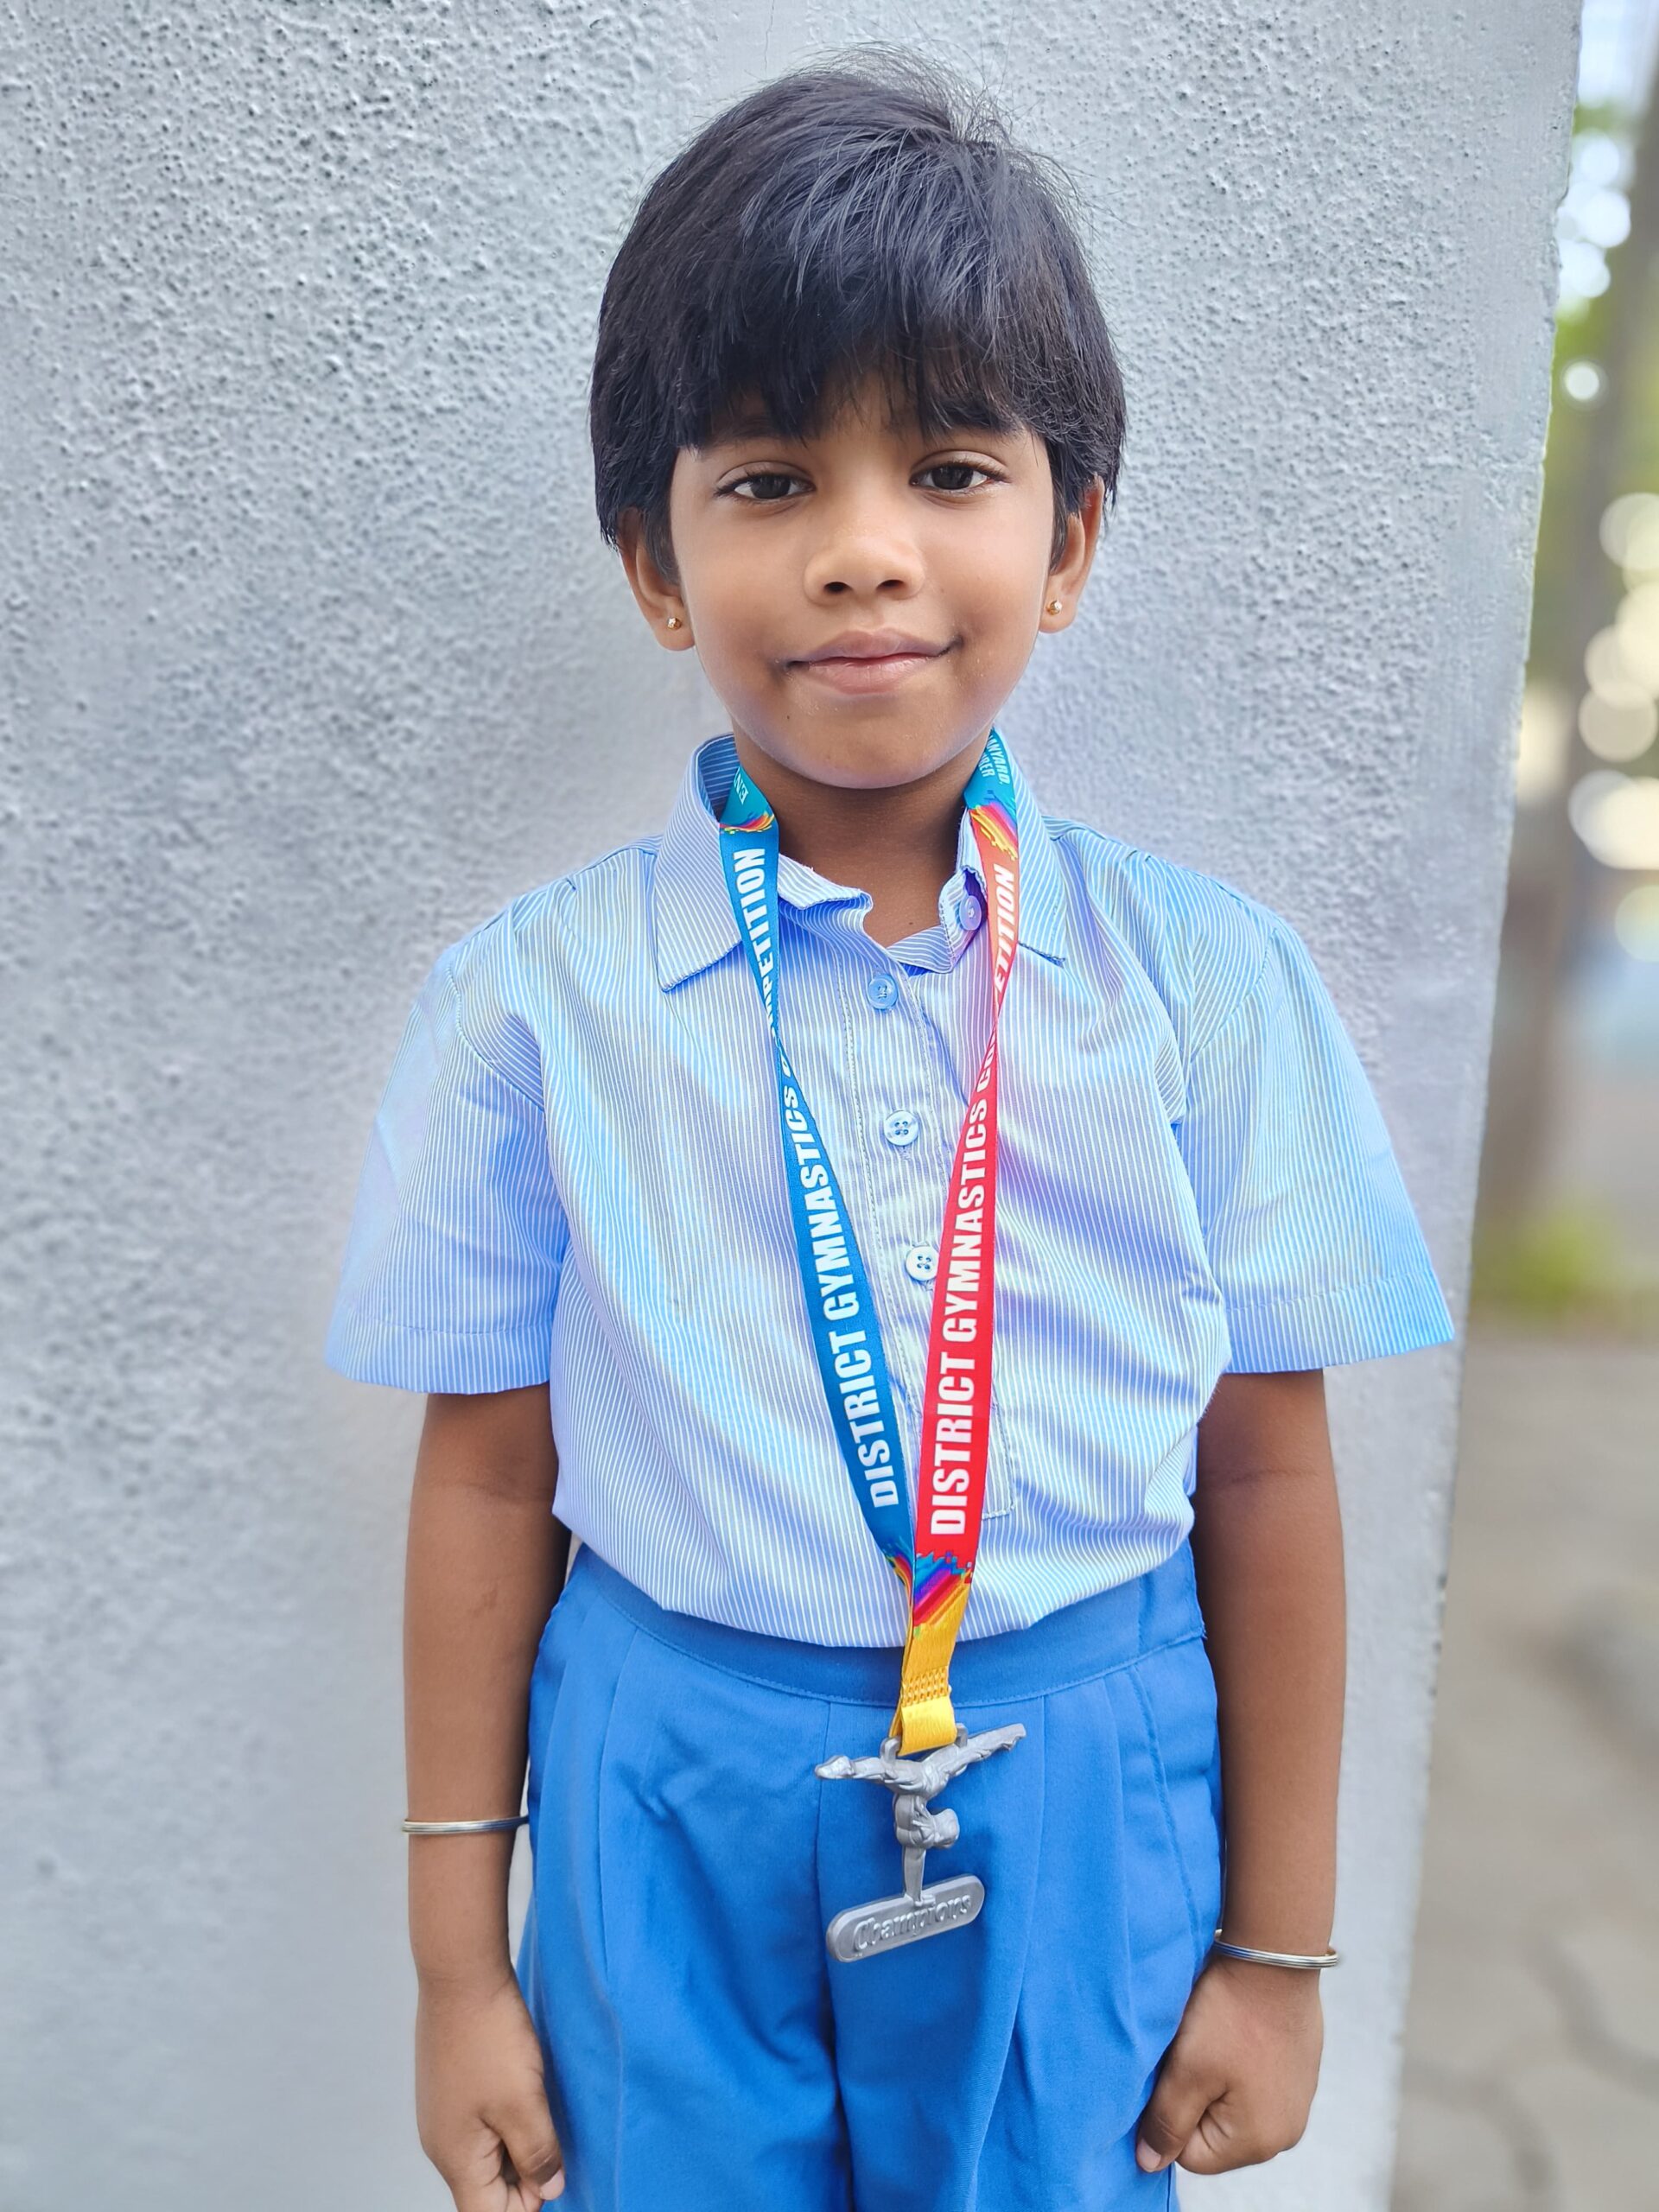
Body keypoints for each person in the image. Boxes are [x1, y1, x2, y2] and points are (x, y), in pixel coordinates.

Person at [322, 45, 1457, 2212]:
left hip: (1084, 1765)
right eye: (766, 481)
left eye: (948, 466)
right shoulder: (529, 1012)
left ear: (1074, 532)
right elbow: (485, 1474)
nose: (865, 555)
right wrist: (457, 1969)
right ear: (656, 564)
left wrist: (1282, 1947)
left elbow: (1268, 1465)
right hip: (667, 1778)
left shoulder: (1209, 989)